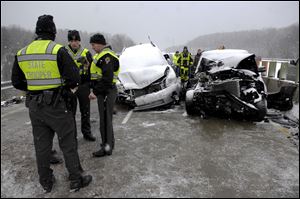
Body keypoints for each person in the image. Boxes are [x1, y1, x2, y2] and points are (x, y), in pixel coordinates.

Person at [11, 15, 92, 193]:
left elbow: (16, 81)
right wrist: (61, 88)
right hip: (57, 105)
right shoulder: (57, 50)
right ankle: (76, 179)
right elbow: (74, 78)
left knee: (42, 145)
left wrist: (34, 88)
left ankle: (46, 181)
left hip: (34, 106)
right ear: (53, 31)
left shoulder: (22, 52)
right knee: (68, 143)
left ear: (37, 31)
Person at [88, 33, 120, 157]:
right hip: (105, 91)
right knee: (105, 120)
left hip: (106, 91)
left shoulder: (107, 57)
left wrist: (94, 92)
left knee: (105, 121)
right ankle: (108, 144)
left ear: (101, 43)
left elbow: (107, 78)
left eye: (93, 44)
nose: (92, 47)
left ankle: (107, 148)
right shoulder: (101, 55)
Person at [65, 30, 96, 142]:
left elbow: (92, 69)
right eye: (72, 40)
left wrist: (92, 85)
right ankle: (72, 136)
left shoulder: (86, 52)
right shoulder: (64, 52)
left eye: (76, 40)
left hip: (83, 85)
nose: (74, 43)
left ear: (79, 41)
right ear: (69, 41)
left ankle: (87, 133)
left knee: (85, 111)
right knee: (70, 113)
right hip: (70, 86)